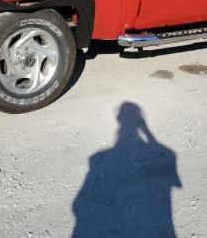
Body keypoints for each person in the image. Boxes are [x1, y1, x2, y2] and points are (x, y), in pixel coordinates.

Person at [72, 102, 181, 237]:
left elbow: (78, 204)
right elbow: (174, 183)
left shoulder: (97, 159)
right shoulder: (167, 153)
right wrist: (146, 131)